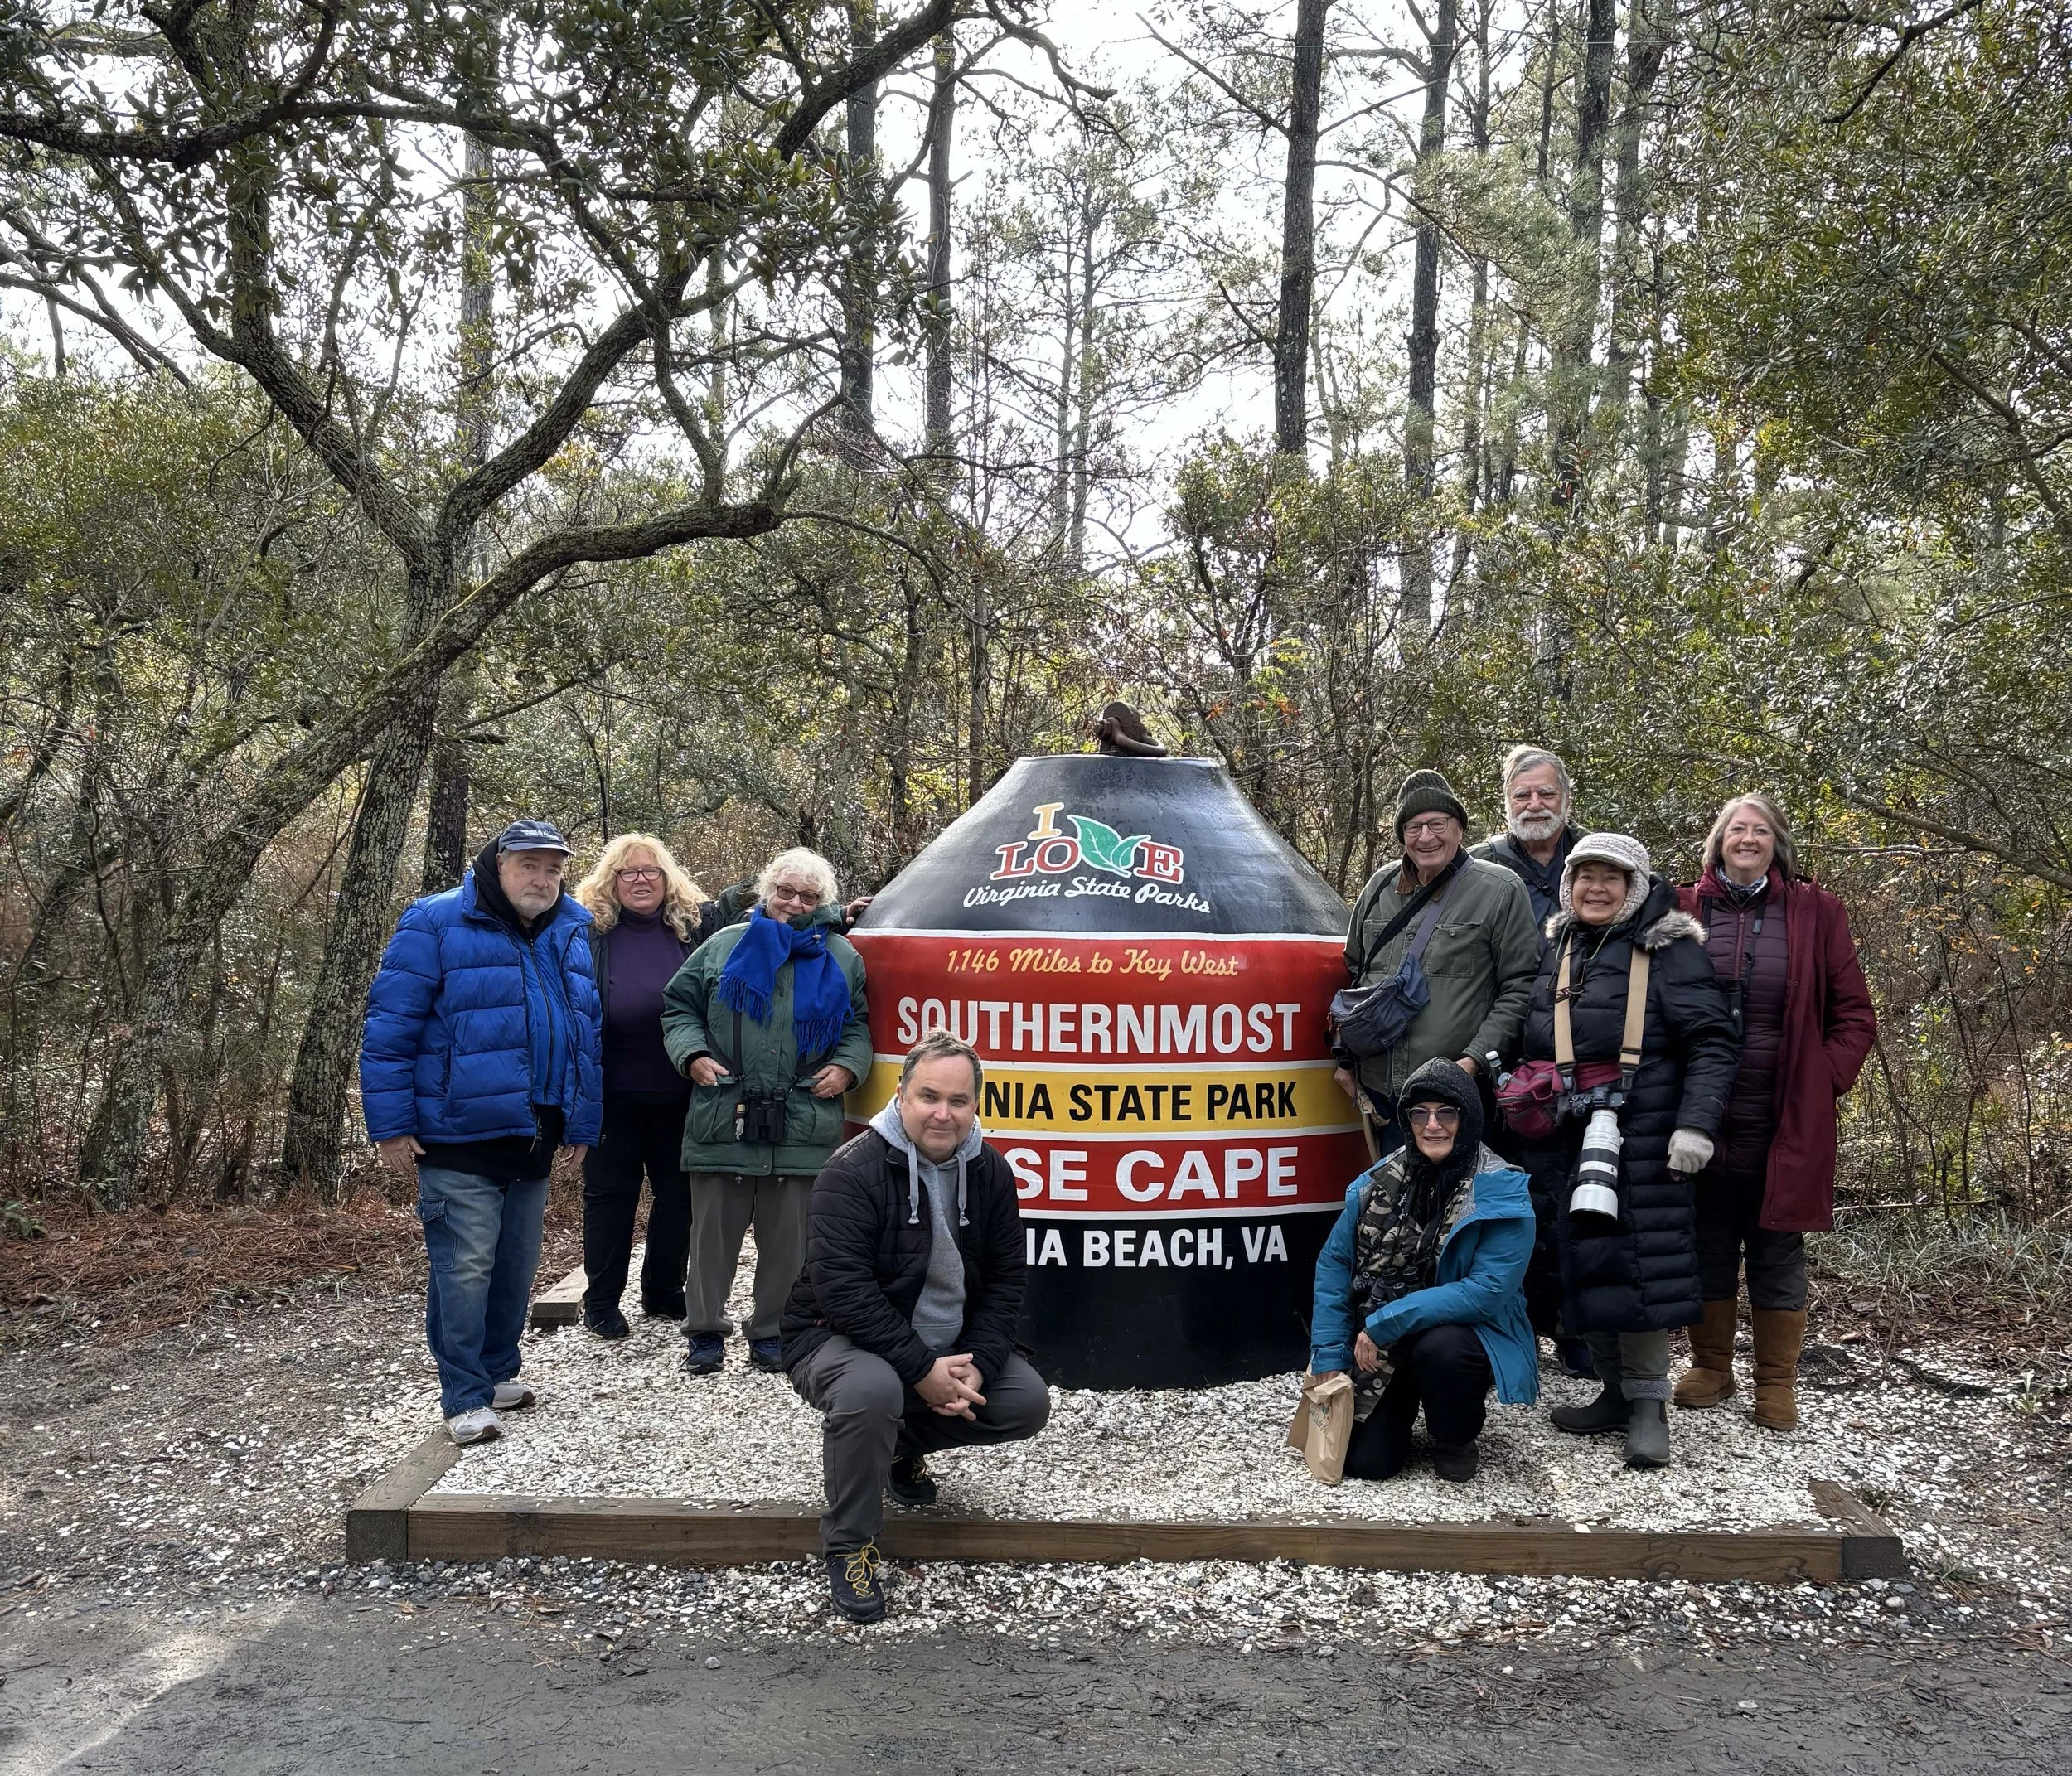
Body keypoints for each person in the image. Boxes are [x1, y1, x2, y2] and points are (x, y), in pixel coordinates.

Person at [782, 1031, 1049, 1623]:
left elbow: (1007, 1283)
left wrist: (976, 1359)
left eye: (958, 1100)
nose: (943, 1112)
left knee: (1024, 1402)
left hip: (944, 1344)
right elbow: (841, 1291)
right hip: (834, 1335)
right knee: (871, 1391)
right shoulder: (851, 1171)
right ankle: (850, 1545)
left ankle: (892, 1448)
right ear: (900, 1094)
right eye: (929, 1095)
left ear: (976, 1104)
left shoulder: (991, 1173)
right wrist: (922, 1369)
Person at [360, 818, 602, 1445]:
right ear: (497, 865)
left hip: (536, 1133)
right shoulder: (435, 921)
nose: (543, 879)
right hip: (457, 1132)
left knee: (516, 1266)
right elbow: (390, 1028)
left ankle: (496, 1374)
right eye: (529, 866)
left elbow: (583, 1036)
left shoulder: (570, 930)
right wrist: (390, 1124)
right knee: (465, 1265)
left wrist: (580, 1120)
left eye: (553, 869)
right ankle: (464, 1395)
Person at [1516, 833, 1739, 1468]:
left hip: (1643, 1128)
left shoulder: (1670, 949)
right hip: (1568, 1128)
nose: (1595, 888)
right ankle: (1614, 1391)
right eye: (1584, 875)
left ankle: (1649, 1405)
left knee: (1640, 1264)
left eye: (1610, 878)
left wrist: (1695, 1126)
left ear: (1635, 886)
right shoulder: (1560, 943)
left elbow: (1713, 1044)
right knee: (1583, 1260)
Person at [1673, 794, 1877, 1431]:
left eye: (1761, 830)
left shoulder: (1817, 912)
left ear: (1777, 843)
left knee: (1776, 1244)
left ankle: (1776, 1380)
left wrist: (1823, 1080)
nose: (1749, 838)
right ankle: (1711, 1364)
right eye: (1738, 828)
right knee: (1705, 1238)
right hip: (1700, 1113)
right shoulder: (1683, 908)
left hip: (1783, 1114)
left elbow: (1855, 1017)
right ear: (1718, 840)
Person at [661, 846, 870, 1377]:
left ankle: (772, 1331)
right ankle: (705, 1331)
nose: (794, 904)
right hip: (723, 1111)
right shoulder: (722, 946)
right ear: (766, 892)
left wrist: (847, 1067)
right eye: (785, 891)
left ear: (823, 902)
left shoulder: (843, 958)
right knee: (712, 1236)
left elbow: (858, 1025)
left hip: (802, 1115)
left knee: (789, 1240)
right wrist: (692, 1055)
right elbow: (678, 1007)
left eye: (808, 896)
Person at [1310, 1059, 1539, 1483]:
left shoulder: (1503, 1190)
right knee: (1367, 1465)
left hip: (1459, 1333)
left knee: (1445, 1349)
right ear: (1408, 1120)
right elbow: (1335, 1262)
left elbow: (1485, 1291)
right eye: (1420, 1113)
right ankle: (1399, 1406)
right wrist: (1329, 1354)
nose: (1432, 1125)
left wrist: (1383, 1323)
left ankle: (1453, 1437)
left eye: (1446, 1113)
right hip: (1384, 1340)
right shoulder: (1374, 1183)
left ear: (1467, 1120)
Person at [1335, 770, 1541, 1156]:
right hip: (1383, 1094)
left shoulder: (1500, 889)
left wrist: (1473, 1061)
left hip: (1458, 1095)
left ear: (1459, 829)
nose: (1425, 837)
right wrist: (1345, 1058)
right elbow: (1352, 976)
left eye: (1437, 823)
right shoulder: (1379, 887)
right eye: (1413, 827)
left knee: (1461, 1207)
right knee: (1392, 1207)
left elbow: (1522, 986)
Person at [571, 834, 705, 1339]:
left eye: (651, 871)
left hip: (681, 1092)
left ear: (668, 879)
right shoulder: (589, 935)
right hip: (611, 1095)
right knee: (610, 1198)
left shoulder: (692, 931)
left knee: (679, 1196)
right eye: (629, 873)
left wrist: (836, 914)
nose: (641, 879)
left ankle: (663, 1291)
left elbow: (763, 913)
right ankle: (602, 1302)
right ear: (612, 882)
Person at [1473, 745, 1584, 930]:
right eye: (1522, 795)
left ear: (1567, 798)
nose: (1534, 805)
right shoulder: (1476, 864)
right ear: (1507, 802)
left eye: (1546, 793)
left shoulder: (1599, 855)